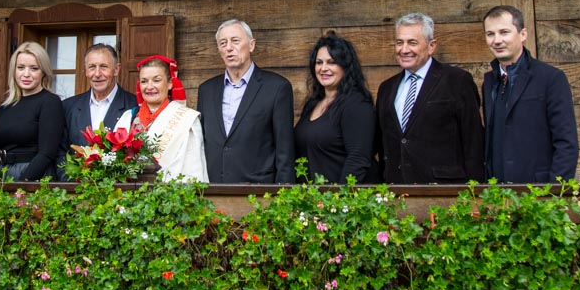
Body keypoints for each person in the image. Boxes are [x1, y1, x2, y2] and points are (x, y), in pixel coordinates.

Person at [375, 13, 484, 184]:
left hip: (445, 189)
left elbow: (473, 142)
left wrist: (475, 190)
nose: (404, 49)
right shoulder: (386, 88)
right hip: (397, 188)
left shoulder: (457, 81)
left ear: (431, 46)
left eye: (412, 42)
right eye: (399, 42)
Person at [482, 5, 579, 183]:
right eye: (490, 34)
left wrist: (554, 192)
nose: (497, 40)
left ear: (523, 34)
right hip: (496, 191)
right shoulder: (489, 82)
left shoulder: (550, 78)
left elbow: (566, 143)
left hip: (537, 191)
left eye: (504, 32)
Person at [197, 19, 295, 183]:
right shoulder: (206, 90)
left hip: (259, 190)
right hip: (213, 189)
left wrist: (283, 192)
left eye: (235, 41)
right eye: (223, 43)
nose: (229, 48)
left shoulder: (277, 87)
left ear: (251, 45)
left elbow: (285, 150)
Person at [295, 32, 380, 184]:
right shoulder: (313, 103)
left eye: (331, 62)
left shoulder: (357, 105)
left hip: (341, 196)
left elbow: (358, 159)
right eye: (319, 62)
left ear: (345, 66)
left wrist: (340, 195)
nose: (323, 68)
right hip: (314, 195)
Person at [114, 55, 208, 182]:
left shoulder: (187, 120)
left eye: (156, 80)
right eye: (144, 81)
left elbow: (191, 167)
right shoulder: (128, 117)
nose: (149, 86)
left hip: (169, 190)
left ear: (170, 83)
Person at [0, 42, 65, 181]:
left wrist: (23, 184)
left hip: (33, 176)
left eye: (34, 68)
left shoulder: (50, 102)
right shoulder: (4, 105)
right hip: (1, 173)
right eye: (21, 67)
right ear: (14, 70)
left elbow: (47, 153)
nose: (26, 74)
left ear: (43, 72)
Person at [59, 43, 137, 179]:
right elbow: (60, 152)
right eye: (92, 67)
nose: (97, 74)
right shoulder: (68, 107)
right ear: (85, 71)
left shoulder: (134, 106)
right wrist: (70, 182)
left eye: (103, 67)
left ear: (116, 69)